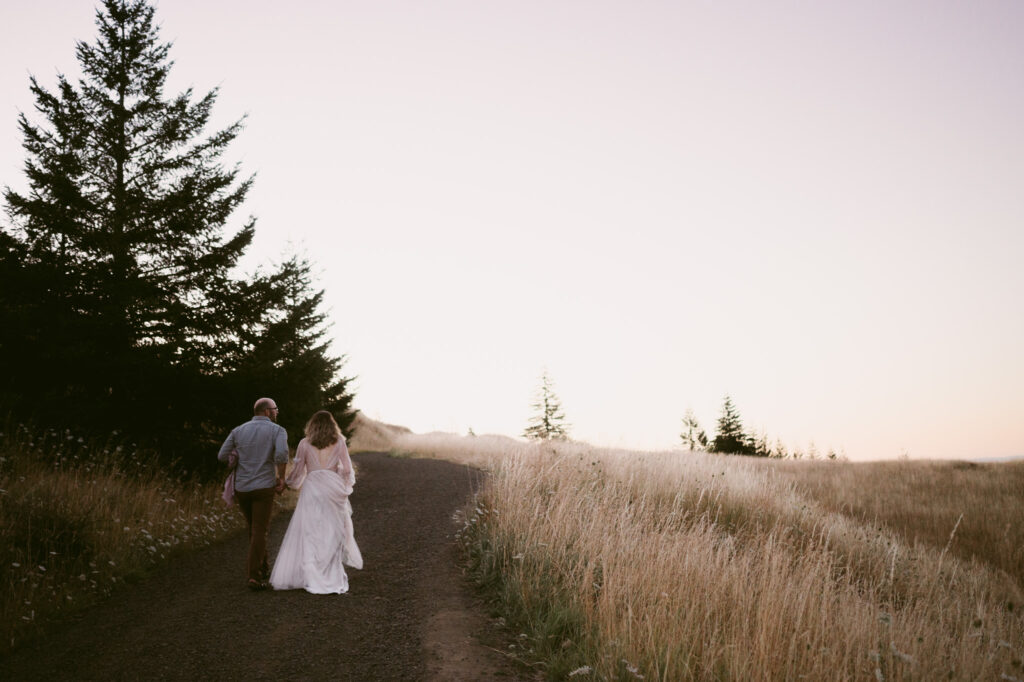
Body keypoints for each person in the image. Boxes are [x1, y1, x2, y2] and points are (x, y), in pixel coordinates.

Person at [270, 410, 363, 594]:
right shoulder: (339, 442)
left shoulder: (305, 444)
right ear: (332, 425)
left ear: (312, 425)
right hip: (332, 488)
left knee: (311, 531)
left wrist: (287, 484)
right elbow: (346, 469)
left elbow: (298, 471)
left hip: (312, 489)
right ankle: (330, 574)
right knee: (333, 530)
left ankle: (312, 575)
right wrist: (345, 487)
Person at [218, 397, 288, 591]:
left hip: (242, 488)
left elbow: (222, 455)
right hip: (264, 487)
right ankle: (254, 576)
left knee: (253, 528)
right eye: (275, 409)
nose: (277, 412)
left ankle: (263, 568)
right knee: (259, 530)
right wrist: (281, 479)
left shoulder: (238, 430)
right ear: (267, 411)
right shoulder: (277, 431)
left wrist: (237, 456)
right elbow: (282, 455)